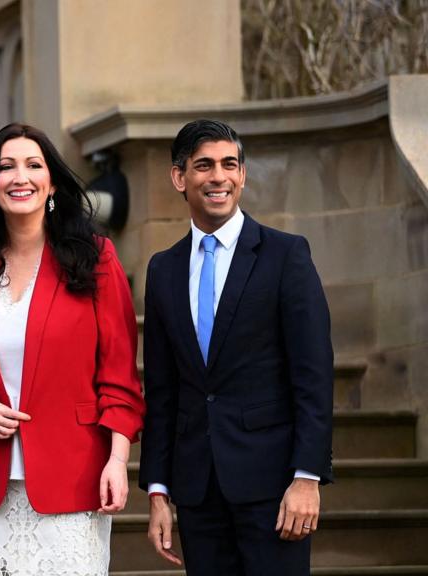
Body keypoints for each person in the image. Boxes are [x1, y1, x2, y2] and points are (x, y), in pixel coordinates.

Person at [0, 123, 145, 575]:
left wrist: (118, 461)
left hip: (75, 475)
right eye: (6, 167)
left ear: (52, 181)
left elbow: (119, 376)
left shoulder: (96, 258)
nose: (20, 177)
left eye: (33, 165)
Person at [139, 119, 334, 575]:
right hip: (198, 492)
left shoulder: (286, 255)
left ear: (243, 175)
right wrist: (158, 490)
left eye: (230, 164)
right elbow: (163, 391)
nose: (218, 177)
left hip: (274, 488)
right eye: (204, 165)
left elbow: (314, 375)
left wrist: (307, 477)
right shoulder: (163, 269)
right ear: (179, 177)